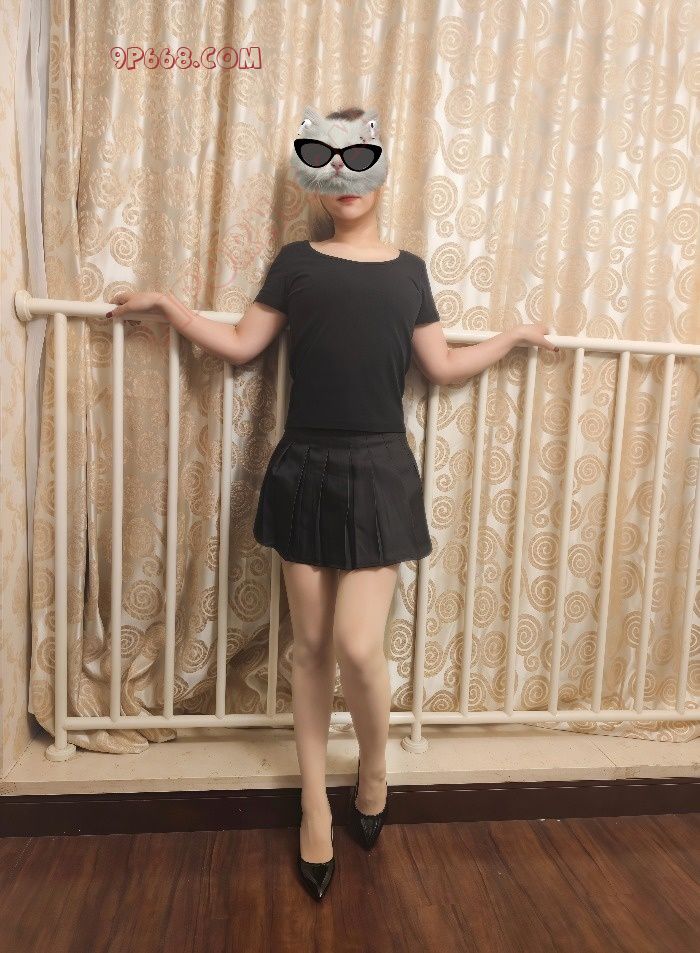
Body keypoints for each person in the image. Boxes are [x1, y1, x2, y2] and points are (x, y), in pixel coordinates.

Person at [107, 104, 557, 902]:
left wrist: (515, 337)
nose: (344, 174)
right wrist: (171, 307)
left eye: (360, 157)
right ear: (311, 176)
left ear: (382, 166)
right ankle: (314, 801)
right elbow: (243, 345)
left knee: (356, 644)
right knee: (309, 646)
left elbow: (441, 366)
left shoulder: (409, 270)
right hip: (305, 466)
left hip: (380, 469)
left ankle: (374, 764)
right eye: (326, 157)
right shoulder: (294, 263)